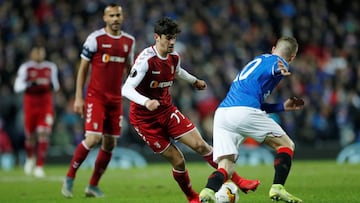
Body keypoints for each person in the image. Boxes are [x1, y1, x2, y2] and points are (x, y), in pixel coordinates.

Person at [122, 17, 259, 203]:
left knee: (201, 145)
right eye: (167, 38)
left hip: (166, 111)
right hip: (145, 120)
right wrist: (146, 102)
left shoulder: (174, 57)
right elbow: (126, 89)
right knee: (178, 161)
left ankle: (239, 180)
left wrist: (194, 81)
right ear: (156, 37)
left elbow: (178, 71)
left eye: (174, 38)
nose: (171, 42)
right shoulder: (146, 61)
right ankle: (191, 197)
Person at [199, 36, 304, 203]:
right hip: (243, 112)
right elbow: (277, 65)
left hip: (223, 114)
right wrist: (282, 68)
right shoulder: (275, 61)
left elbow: (258, 102)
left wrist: (281, 107)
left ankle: (207, 191)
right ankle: (278, 188)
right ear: (292, 57)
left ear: (273, 47)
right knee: (286, 145)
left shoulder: (257, 62)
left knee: (226, 166)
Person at [61, 3, 135, 198]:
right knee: (93, 138)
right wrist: (78, 97)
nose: (115, 19)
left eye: (118, 15)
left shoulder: (129, 41)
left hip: (116, 99)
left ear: (122, 17)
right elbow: (83, 68)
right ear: (105, 18)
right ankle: (69, 177)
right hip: (96, 97)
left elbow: (130, 69)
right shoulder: (96, 39)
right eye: (111, 16)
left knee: (110, 144)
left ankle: (92, 185)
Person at [14, 45, 60, 178]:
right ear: (31, 53)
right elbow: (17, 86)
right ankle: (29, 158)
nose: (39, 54)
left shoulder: (50, 67)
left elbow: (56, 85)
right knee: (30, 136)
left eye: (41, 52)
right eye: (37, 52)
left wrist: (48, 84)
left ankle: (39, 166)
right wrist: (31, 83)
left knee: (43, 133)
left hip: (45, 105)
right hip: (30, 105)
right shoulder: (26, 68)